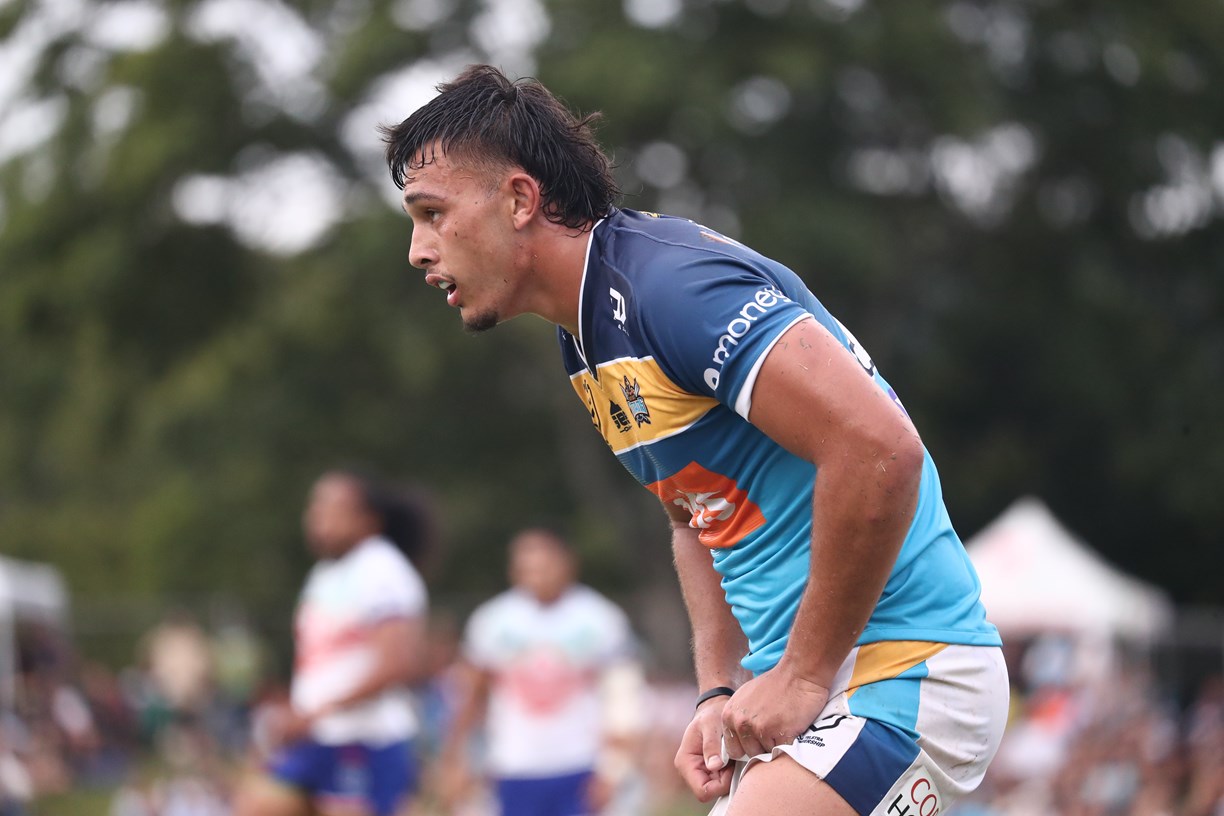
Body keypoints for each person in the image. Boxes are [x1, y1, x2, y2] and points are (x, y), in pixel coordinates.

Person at [381, 65, 1008, 816]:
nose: (418, 250)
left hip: (904, 669)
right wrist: (718, 686)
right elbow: (693, 516)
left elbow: (880, 450)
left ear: (520, 199)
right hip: (814, 687)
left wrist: (803, 674)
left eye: (432, 213)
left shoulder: (670, 288)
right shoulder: (586, 335)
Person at [233, 470, 433, 816]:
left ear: (368, 520)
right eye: (315, 506)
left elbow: (397, 664)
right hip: (318, 736)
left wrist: (317, 712)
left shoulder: (382, 570)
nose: (317, 516)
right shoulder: (324, 574)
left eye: (332, 508)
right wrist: (294, 710)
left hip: (365, 738)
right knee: (257, 804)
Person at [434, 528, 643, 816]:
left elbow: (623, 699)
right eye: (527, 566)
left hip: (581, 763)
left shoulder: (601, 619)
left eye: (544, 565)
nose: (536, 575)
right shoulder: (492, 621)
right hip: (514, 764)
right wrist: (456, 758)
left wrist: (615, 767)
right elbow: (470, 694)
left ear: (567, 563)